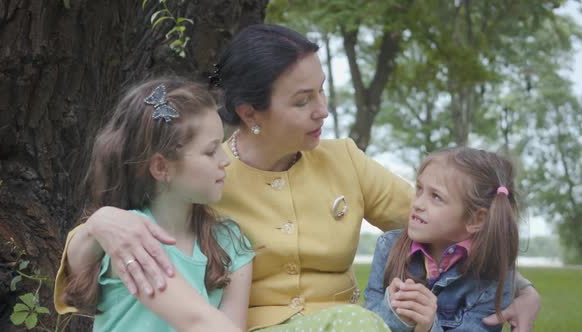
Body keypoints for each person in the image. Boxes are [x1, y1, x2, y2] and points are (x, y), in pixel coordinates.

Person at [54, 24, 539, 331]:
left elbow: (451, 217)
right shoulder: (208, 175)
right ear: (251, 113)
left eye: (322, 92)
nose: (323, 111)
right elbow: (130, 230)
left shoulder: (344, 160)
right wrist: (100, 223)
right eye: (302, 101)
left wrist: (523, 290)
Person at [60, 78, 254, 332]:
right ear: (161, 167)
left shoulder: (230, 242)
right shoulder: (129, 236)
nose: (225, 160)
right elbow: (198, 322)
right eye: (210, 151)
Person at [365, 147, 522, 331]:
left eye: (436, 197)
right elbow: (367, 321)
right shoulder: (388, 247)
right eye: (419, 189)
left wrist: (429, 326)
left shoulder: (492, 273)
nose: (418, 204)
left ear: (476, 219)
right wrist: (394, 314)